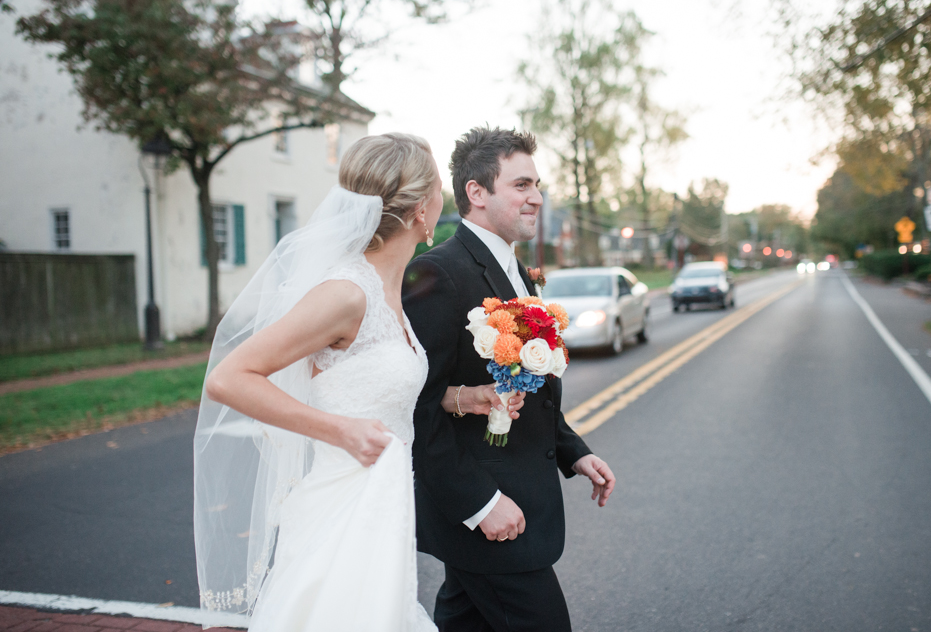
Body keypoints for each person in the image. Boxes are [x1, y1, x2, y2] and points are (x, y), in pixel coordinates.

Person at [192, 132, 523, 631]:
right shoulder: (346, 293)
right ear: (419, 211)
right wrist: (339, 431)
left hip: (385, 505)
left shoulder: (391, 290)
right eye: (437, 187)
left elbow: (377, 390)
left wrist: (463, 398)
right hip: (341, 507)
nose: (442, 199)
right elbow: (228, 378)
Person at [402, 126, 617, 632]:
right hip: (489, 512)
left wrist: (572, 449)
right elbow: (417, 407)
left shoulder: (517, 273)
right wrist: (480, 504)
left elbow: (529, 391)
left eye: (537, 185)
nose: (536, 198)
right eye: (521, 185)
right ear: (476, 193)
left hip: (511, 511)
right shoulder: (438, 274)